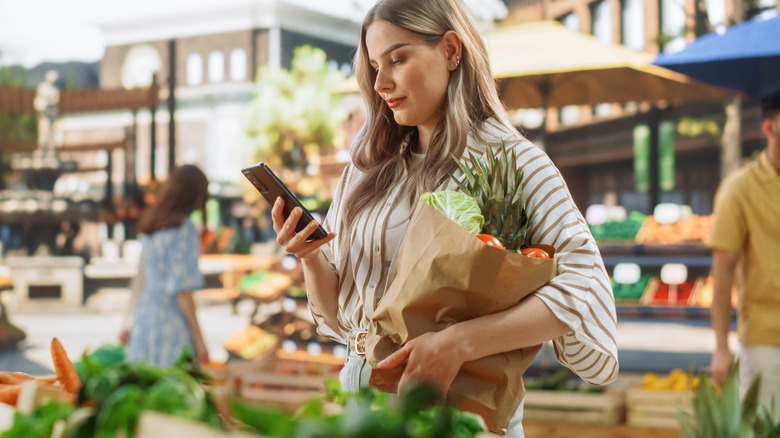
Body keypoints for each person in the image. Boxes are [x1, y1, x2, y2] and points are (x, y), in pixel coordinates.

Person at [271, 0, 618, 435]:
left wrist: (458, 343)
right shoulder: (364, 173)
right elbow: (340, 319)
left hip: (460, 405)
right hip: (359, 400)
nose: (381, 82)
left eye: (398, 59)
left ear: (452, 51)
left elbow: (582, 285)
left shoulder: (514, 163)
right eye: (375, 66)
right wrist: (309, 257)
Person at [708, 89, 780, 419]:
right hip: (766, 341)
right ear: (769, 127)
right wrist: (722, 348)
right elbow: (722, 271)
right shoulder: (740, 189)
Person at [126, 164, 210, 366]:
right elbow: (183, 291)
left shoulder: (152, 225)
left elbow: (140, 279)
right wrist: (201, 343)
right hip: (171, 328)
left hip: (143, 321)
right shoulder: (185, 229)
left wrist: (127, 322)